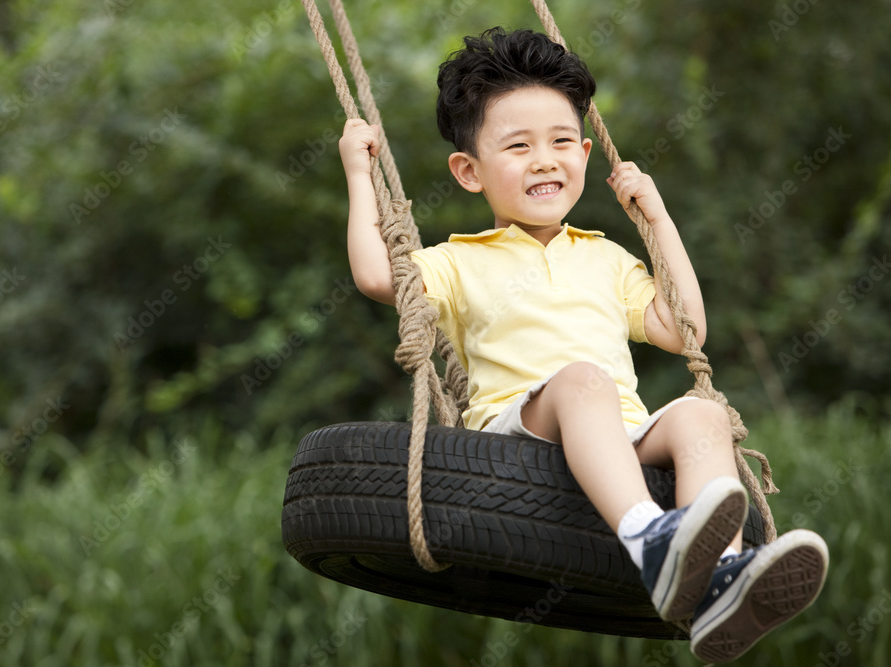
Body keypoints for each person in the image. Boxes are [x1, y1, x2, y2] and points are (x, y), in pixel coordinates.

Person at [338, 26, 828, 663]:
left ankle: (720, 579)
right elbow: (379, 276)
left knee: (702, 414)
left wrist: (656, 218)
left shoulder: (605, 256)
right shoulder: (457, 262)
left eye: (562, 141)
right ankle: (652, 538)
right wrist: (358, 172)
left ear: (587, 153)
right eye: (518, 146)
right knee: (582, 379)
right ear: (468, 172)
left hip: (617, 430)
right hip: (518, 430)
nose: (545, 159)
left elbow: (684, 330)